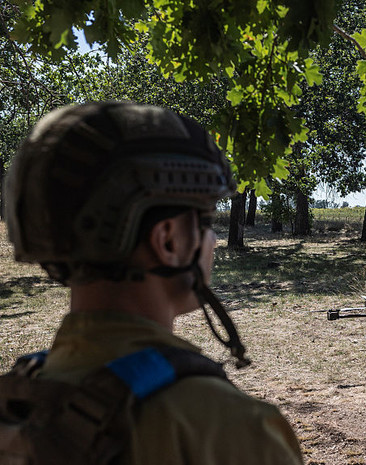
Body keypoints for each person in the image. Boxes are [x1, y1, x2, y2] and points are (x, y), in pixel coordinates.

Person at [2, 102, 303, 464]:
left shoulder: (17, 402)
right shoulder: (229, 429)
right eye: (206, 223)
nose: (214, 242)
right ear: (169, 241)